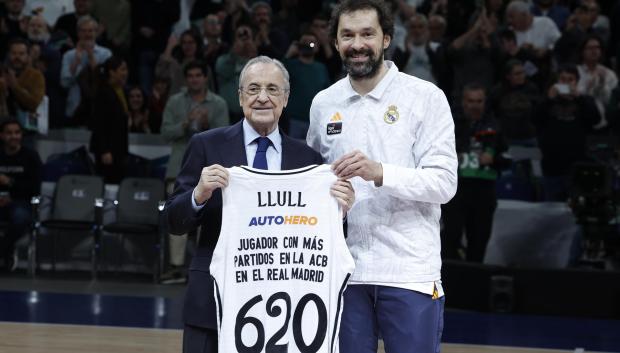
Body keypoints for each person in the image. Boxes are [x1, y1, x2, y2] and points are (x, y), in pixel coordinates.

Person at [165, 55, 355, 353]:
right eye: (253, 89)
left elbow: (324, 236)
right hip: (212, 304)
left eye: (272, 89)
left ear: (286, 97)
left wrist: (342, 211)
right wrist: (198, 194)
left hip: (285, 307)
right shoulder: (207, 145)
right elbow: (174, 222)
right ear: (240, 97)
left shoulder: (309, 160)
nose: (262, 98)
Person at [307, 1, 458, 352]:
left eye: (367, 34)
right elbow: (314, 180)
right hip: (343, 272)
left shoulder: (425, 97)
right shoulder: (324, 104)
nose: (357, 44)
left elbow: (445, 183)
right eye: (348, 35)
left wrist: (380, 173)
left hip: (409, 272)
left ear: (386, 38)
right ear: (335, 43)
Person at [160, 61, 229, 284]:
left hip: (212, 171)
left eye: (198, 74)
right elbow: (164, 132)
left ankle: (204, 267)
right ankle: (176, 267)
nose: (194, 79)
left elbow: (228, 134)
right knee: (178, 214)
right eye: (190, 75)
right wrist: (185, 124)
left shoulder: (218, 103)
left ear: (205, 77)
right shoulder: (175, 101)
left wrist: (207, 123)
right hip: (179, 168)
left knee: (209, 219)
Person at [441, 83, 509, 262]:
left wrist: (493, 158)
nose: (474, 105)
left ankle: (474, 286)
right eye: (470, 101)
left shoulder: (495, 126)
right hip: (455, 190)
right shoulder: (448, 124)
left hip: (483, 191)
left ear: (485, 102)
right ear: (463, 102)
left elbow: (508, 158)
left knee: (478, 242)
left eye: (479, 101)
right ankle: (449, 283)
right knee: (450, 238)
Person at [0, 119, 42, 272]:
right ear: (2, 136)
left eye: (17, 133)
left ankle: (4, 249)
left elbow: (34, 188)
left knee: (20, 217)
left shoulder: (30, 156)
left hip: (20, 202)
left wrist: (10, 182)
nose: (14, 136)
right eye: (9, 133)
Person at [89, 56, 129, 184]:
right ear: (112, 72)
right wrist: (104, 150)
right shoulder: (103, 92)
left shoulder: (118, 91)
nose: (125, 73)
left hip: (117, 148)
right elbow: (99, 123)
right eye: (122, 69)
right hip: (108, 151)